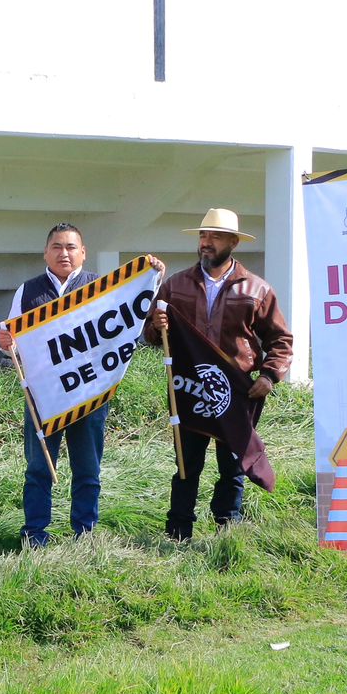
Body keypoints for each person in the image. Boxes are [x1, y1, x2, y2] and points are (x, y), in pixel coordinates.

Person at [0, 224, 165, 546]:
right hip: (43, 399)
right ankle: (34, 532)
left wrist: (153, 275)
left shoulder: (101, 288)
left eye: (71, 247)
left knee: (88, 469)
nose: (64, 253)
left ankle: (84, 533)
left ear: (83, 252)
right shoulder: (28, 290)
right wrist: (7, 341)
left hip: (89, 393)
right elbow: (14, 343)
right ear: (46, 252)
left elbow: (132, 314)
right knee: (38, 469)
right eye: (57, 247)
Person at [144, 208, 293, 540]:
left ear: (233, 242)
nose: (206, 242)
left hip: (237, 391)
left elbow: (281, 340)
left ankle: (228, 529)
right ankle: (178, 531)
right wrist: (156, 326)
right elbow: (151, 336)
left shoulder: (257, 289)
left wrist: (268, 377)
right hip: (189, 388)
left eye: (214, 236)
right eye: (202, 236)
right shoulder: (175, 285)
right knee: (187, 464)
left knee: (232, 465)